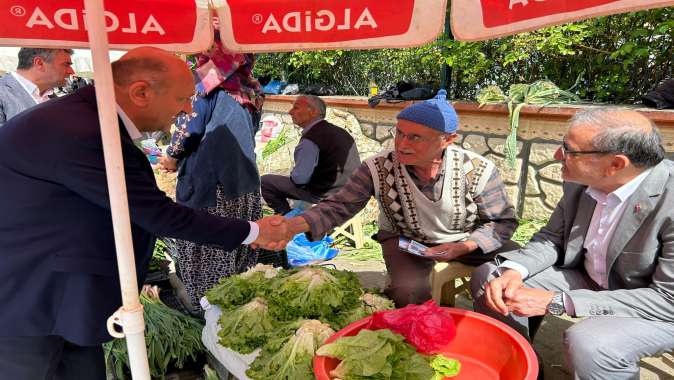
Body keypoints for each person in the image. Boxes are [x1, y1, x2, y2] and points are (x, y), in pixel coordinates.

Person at [0, 46, 288, 379]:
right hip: (31, 301)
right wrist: (256, 231)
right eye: (184, 99)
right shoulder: (80, 131)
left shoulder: (88, 117)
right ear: (141, 93)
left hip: (63, 296)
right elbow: (156, 213)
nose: (189, 110)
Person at [470, 108, 674, 379]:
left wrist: (560, 301)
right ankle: (524, 366)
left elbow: (667, 301)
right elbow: (552, 238)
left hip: (654, 305)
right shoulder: (583, 180)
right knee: (492, 278)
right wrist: (515, 271)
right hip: (591, 278)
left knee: (592, 345)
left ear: (616, 164)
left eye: (569, 150)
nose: (557, 155)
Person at [287, 90, 518, 307]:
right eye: (399, 133)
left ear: (447, 140)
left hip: (466, 240)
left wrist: (464, 246)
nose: (402, 144)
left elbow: (502, 222)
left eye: (415, 137)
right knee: (407, 291)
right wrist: (291, 227)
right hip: (406, 240)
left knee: (518, 272)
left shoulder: (477, 170)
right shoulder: (377, 168)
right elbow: (339, 206)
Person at [158, 38, 268, 309]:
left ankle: (209, 311)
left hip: (211, 184)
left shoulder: (205, 81)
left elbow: (189, 127)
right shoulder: (249, 87)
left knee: (208, 244)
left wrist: (171, 156)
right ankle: (238, 306)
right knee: (241, 239)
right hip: (244, 183)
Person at [261, 95, 361, 214]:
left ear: (313, 112)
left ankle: (286, 218)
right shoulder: (340, 131)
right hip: (351, 191)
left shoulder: (311, 140)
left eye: (296, 108)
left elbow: (300, 179)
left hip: (326, 194)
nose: (290, 112)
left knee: (265, 181)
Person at [0, 48, 75, 126]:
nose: (71, 71)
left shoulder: (52, 96)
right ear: (39, 63)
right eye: (66, 65)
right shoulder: (3, 93)